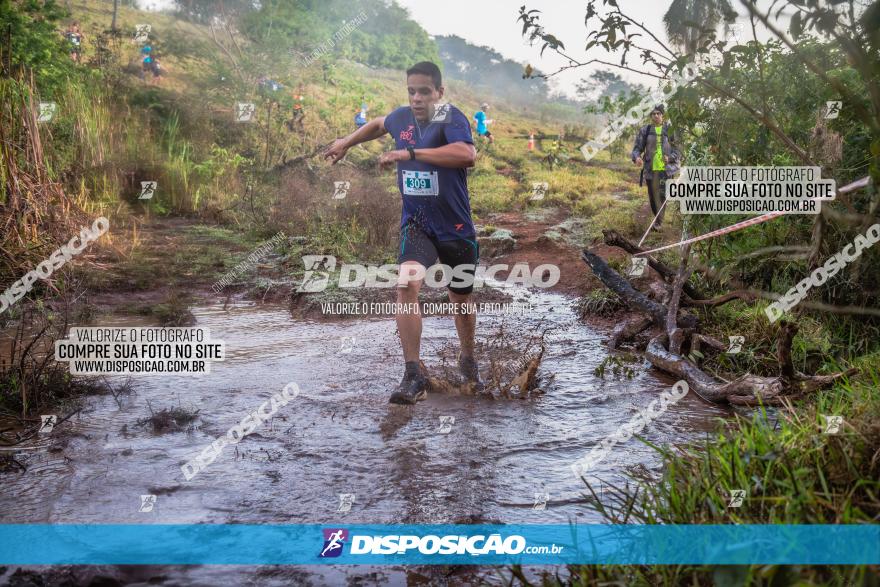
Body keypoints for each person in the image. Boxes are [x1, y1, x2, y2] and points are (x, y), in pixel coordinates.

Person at [323, 61, 482, 405]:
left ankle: (468, 361)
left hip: (455, 227)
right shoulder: (401, 118)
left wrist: (410, 152)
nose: (417, 98)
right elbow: (379, 124)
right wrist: (347, 141)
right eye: (411, 91)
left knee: (461, 300)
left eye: (425, 91)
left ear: (440, 92)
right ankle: (413, 374)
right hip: (418, 224)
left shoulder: (450, 118)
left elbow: (467, 154)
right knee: (406, 284)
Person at [631, 104, 680, 229]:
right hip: (650, 169)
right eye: (653, 113)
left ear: (662, 115)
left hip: (666, 170)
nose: (656, 115)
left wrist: (670, 158)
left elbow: (677, 151)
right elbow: (637, 148)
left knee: (662, 195)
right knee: (653, 196)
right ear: (651, 116)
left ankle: (658, 222)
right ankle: (658, 219)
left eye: (658, 113)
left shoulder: (669, 131)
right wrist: (636, 157)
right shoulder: (646, 130)